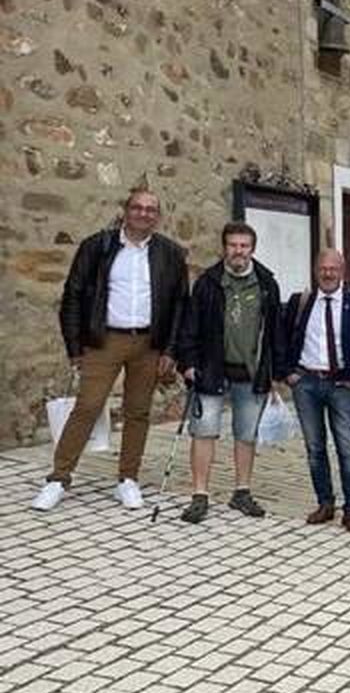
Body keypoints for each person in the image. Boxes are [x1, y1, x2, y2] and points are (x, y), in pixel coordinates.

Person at [34, 186, 190, 512]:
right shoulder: (98, 246)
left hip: (149, 343)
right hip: (105, 340)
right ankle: (58, 478)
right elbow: (73, 295)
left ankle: (127, 479)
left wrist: (170, 350)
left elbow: (179, 306)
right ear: (126, 210)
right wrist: (75, 346)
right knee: (87, 407)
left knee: (138, 412)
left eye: (151, 209)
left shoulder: (170, 254)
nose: (144, 213)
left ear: (158, 216)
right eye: (138, 207)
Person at [172, 221, 282, 523]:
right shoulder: (208, 282)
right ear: (224, 248)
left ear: (252, 249)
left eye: (244, 246)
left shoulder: (266, 283)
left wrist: (276, 370)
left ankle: (242, 492)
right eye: (233, 245)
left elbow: (275, 331)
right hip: (211, 370)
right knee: (204, 432)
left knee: (246, 435)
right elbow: (190, 326)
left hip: (251, 372)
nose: (238, 251)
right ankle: (200, 495)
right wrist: (188, 363)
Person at [282, 249, 350, 534]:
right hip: (306, 383)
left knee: (347, 448)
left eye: (333, 268)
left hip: (340, 385)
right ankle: (325, 503)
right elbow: (281, 337)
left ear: (343, 271)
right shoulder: (301, 302)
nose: (328, 273)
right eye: (323, 268)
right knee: (315, 448)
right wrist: (289, 372)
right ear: (315, 270)